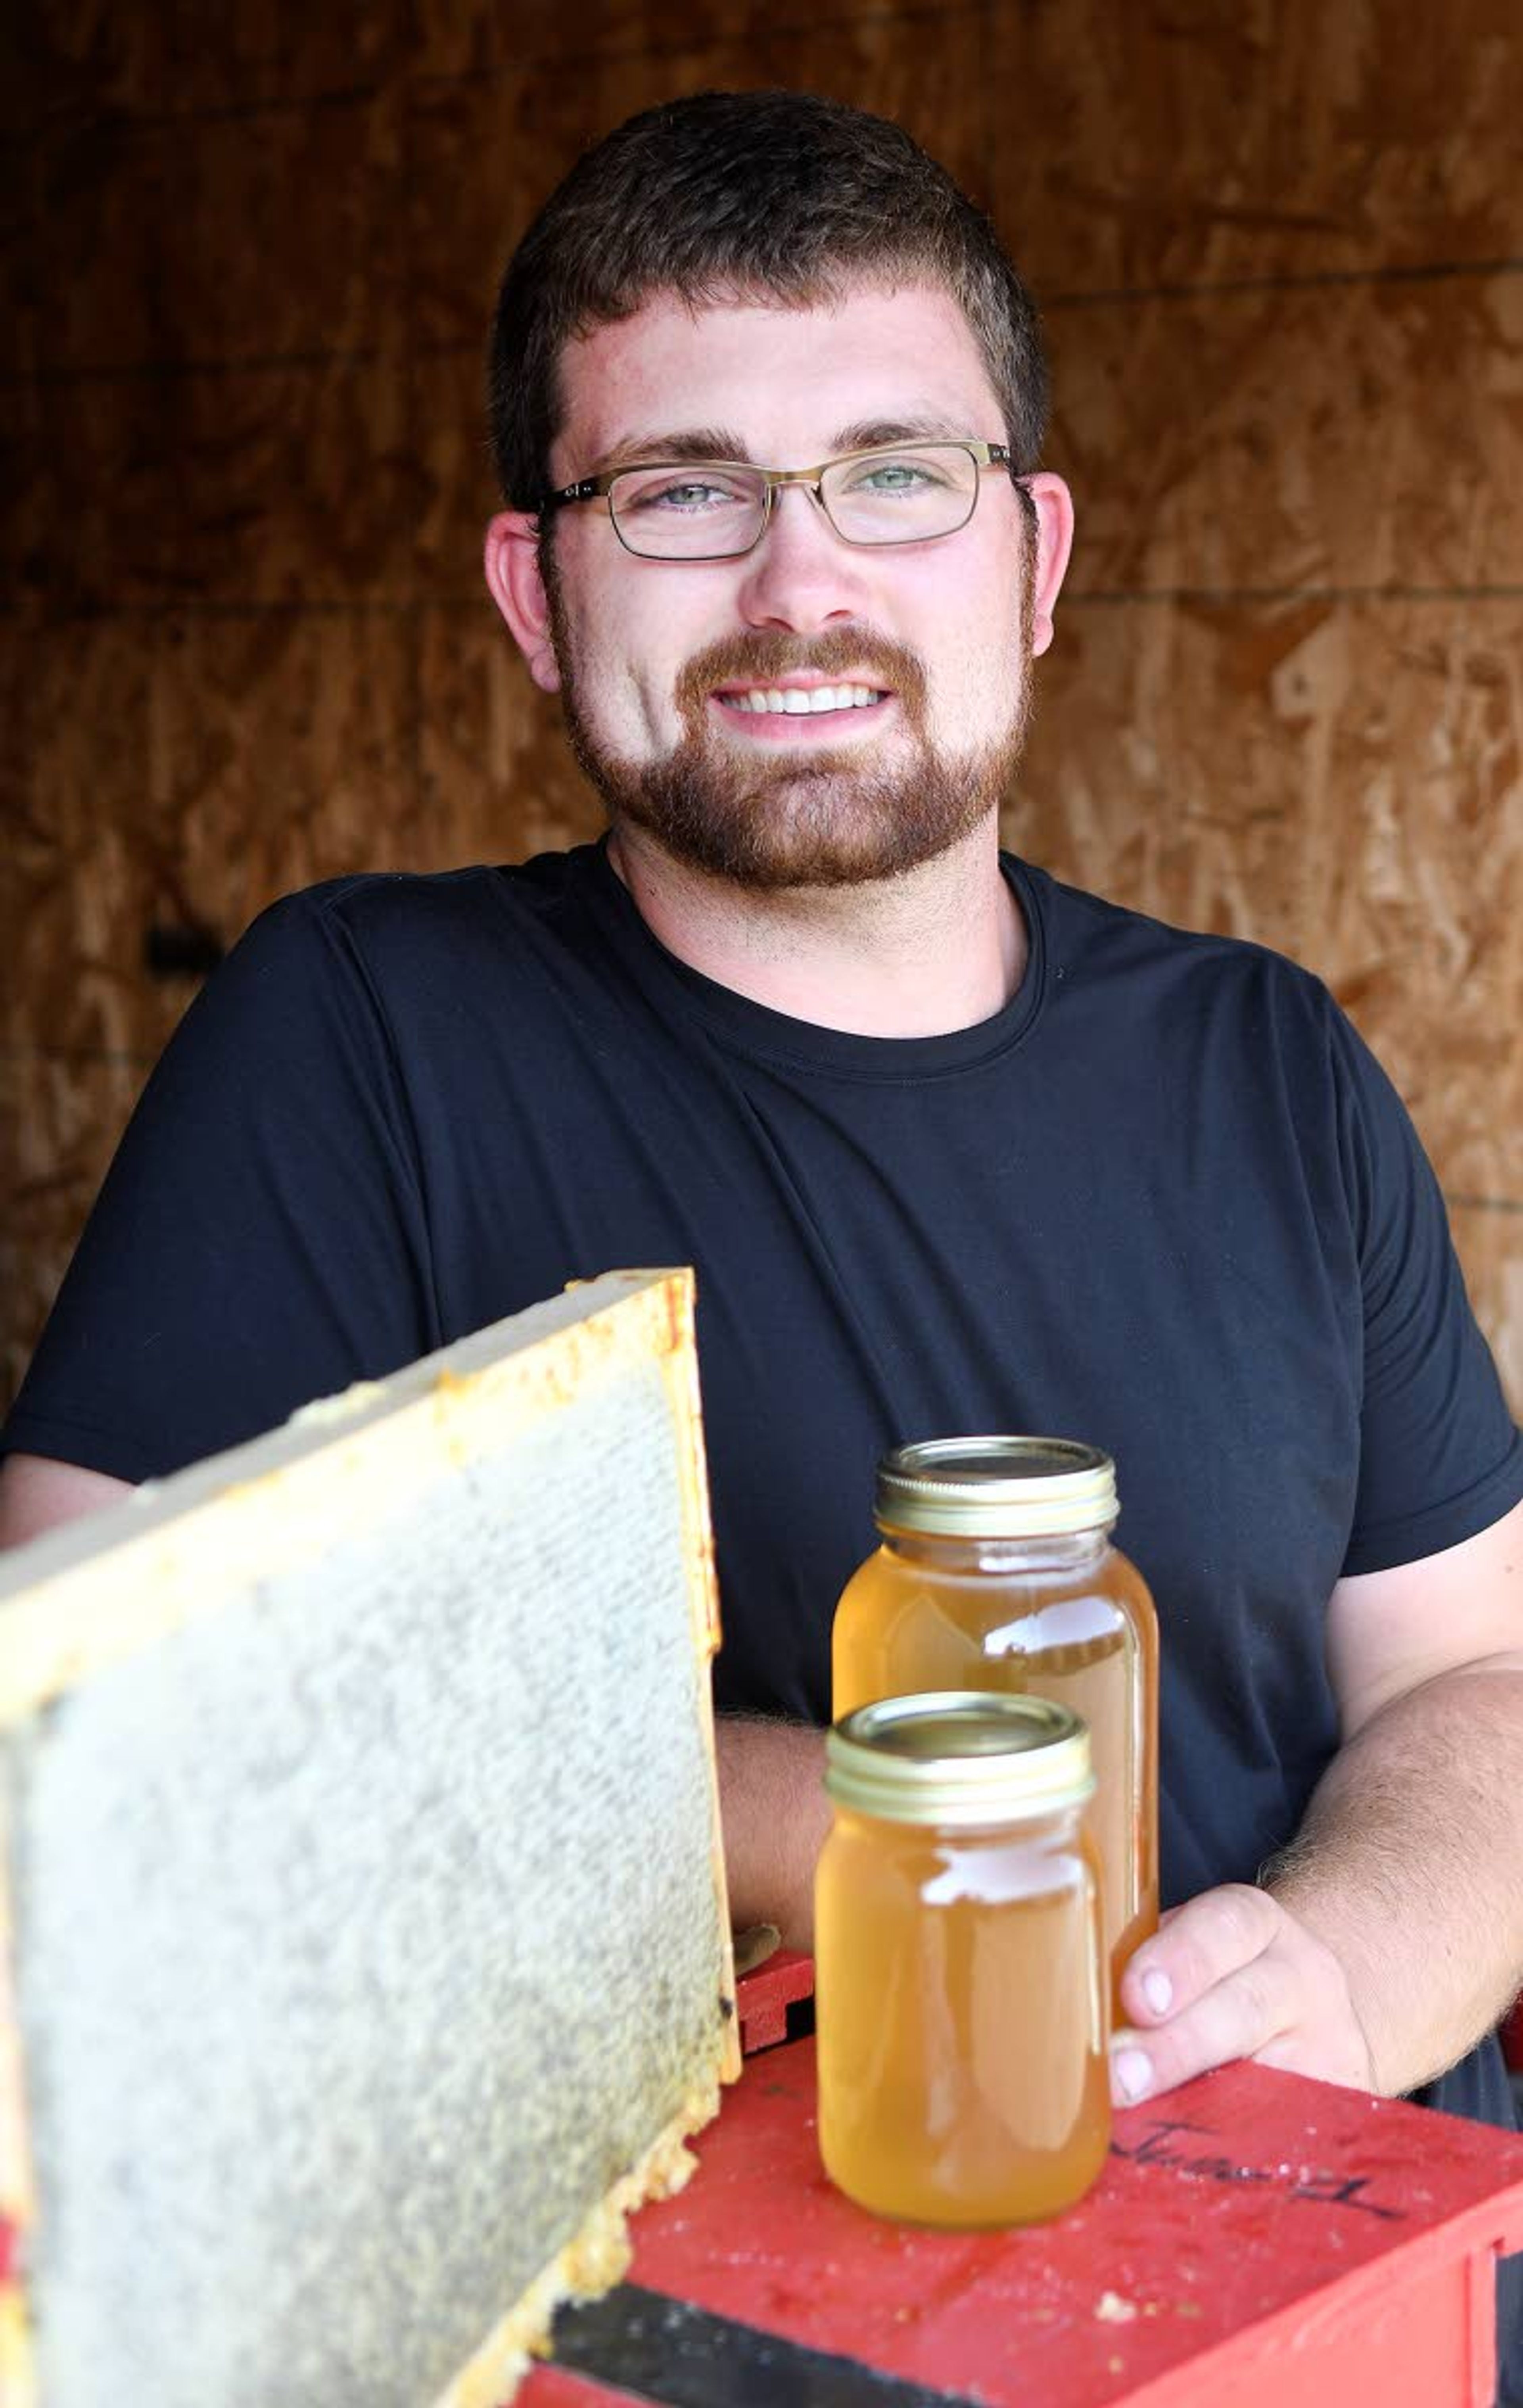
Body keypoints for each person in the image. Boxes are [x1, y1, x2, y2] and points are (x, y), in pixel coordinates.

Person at [4, 83, 1523, 2379]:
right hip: (741, 2336)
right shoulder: (363, 1034)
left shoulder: (1274, 1068)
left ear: (1034, 555)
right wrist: (852, 1815)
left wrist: (1332, 1969)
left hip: (1333, 2298)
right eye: (683, 488)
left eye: (897, 476)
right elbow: (80, 1737)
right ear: (540, 588)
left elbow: (1475, 1688)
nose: (802, 586)